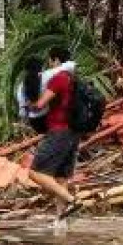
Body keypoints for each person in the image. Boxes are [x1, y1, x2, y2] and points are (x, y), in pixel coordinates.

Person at [25, 47, 83, 219]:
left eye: (50, 61)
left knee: (35, 173)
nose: (49, 65)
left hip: (59, 131)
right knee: (61, 177)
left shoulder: (58, 78)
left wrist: (28, 105)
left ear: (56, 60)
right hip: (73, 132)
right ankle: (61, 221)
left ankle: (72, 200)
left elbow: (40, 104)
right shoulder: (73, 78)